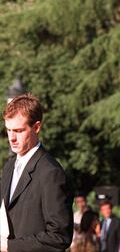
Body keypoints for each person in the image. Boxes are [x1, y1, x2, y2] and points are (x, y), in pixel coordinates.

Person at [0, 93, 73, 252]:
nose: (11, 138)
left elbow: (59, 237)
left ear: (37, 127)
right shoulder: (9, 166)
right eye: (8, 130)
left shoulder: (51, 173)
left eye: (18, 131)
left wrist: (8, 246)